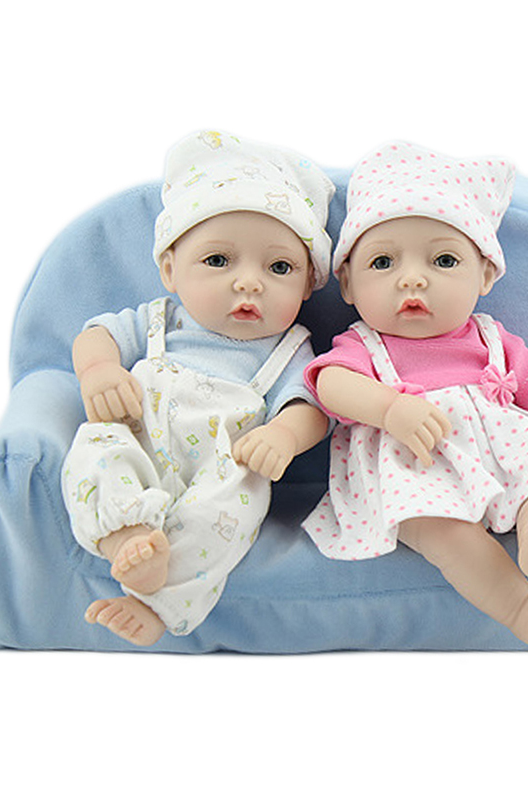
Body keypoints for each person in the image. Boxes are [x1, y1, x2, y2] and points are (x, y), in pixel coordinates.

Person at [302, 140, 528, 653]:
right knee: (440, 529)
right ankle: (519, 605)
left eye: (443, 259)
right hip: (414, 459)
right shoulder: (364, 345)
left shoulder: (489, 337)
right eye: (383, 262)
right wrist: (390, 407)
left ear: (485, 275)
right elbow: (330, 383)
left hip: (500, 442)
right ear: (347, 284)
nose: (412, 278)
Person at [62, 130, 333, 646]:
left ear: (306, 285)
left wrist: (283, 435)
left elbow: (312, 405)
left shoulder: (288, 349)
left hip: (224, 462)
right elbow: (95, 335)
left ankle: (156, 597)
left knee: (233, 505)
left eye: (279, 267)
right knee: (96, 445)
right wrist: (98, 371)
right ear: (170, 269)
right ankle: (126, 532)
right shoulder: (159, 321)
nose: (249, 282)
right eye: (218, 260)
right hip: (138, 434)